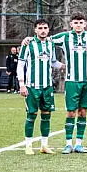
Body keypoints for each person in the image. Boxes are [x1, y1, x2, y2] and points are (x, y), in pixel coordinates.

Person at [47, 13, 87, 154]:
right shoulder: (64, 37)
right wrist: (29, 39)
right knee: (71, 112)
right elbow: (46, 39)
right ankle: (68, 144)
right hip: (72, 81)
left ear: (85, 24)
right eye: (76, 22)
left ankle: (79, 143)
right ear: (71, 24)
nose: (78, 25)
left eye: (81, 22)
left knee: (83, 112)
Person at [18, 18, 64, 155]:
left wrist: (66, 66)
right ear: (35, 30)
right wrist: (22, 84)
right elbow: (20, 65)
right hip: (32, 86)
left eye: (45, 28)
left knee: (46, 115)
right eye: (40, 28)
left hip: (47, 86)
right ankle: (28, 145)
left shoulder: (50, 44)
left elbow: (54, 62)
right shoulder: (28, 44)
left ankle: (44, 145)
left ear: (48, 30)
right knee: (31, 115)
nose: (43, 31)